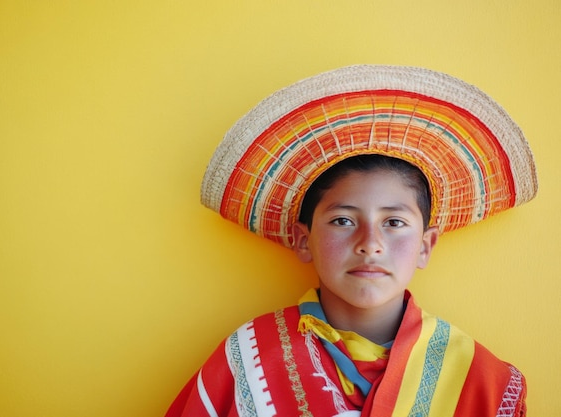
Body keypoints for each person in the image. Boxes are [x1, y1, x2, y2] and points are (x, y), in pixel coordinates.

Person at [165, 65, 537, 416]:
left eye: (393, 222)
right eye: (343, 220)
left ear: (425, 246)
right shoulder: (247, 359)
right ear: (302, 240)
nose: (370, 243)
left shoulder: (479, 380)